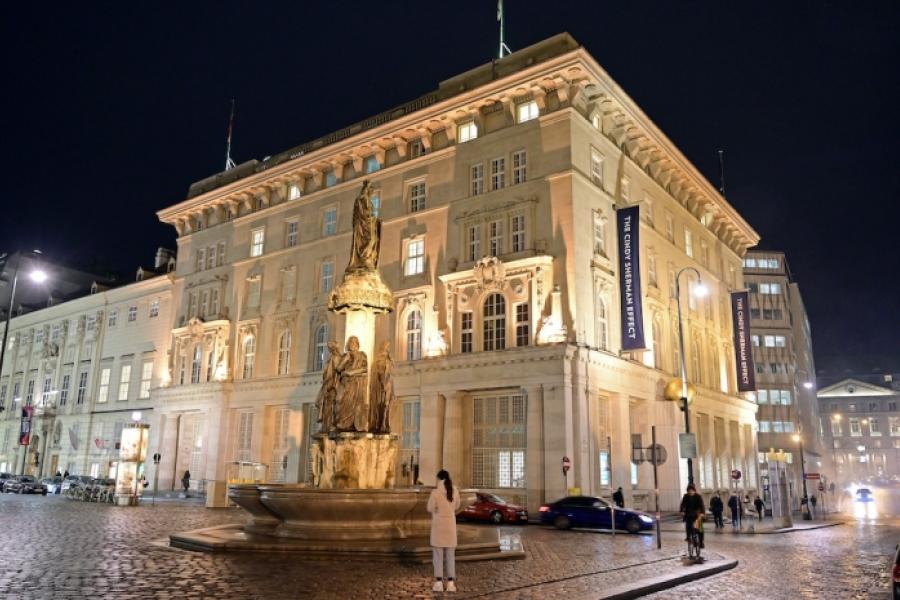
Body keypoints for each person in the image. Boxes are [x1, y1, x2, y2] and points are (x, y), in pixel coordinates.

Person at [427, 470, 461, 593]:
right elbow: (457, 506)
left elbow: (429, 507)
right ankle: (451, 583)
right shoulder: (455, 490)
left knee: (438, 555)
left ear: (438, 479)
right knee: (450, 555)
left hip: (438, 525)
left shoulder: (435, 492)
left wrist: (437, 509)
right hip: (450, 525)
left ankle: (439, 582)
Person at [679, 484, 705, 549]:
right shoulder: (686, 496)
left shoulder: (698, 496)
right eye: (689, 491)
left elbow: (702, 505)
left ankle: (701, 542)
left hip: (697, 515)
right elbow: (682, 504)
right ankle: (688, 537)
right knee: (688, 525)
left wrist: (702, 513)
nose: (690, 492)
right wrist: (681, 511)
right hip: (689, 514)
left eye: (691, 491)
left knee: (700, 529)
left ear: (694, 491)